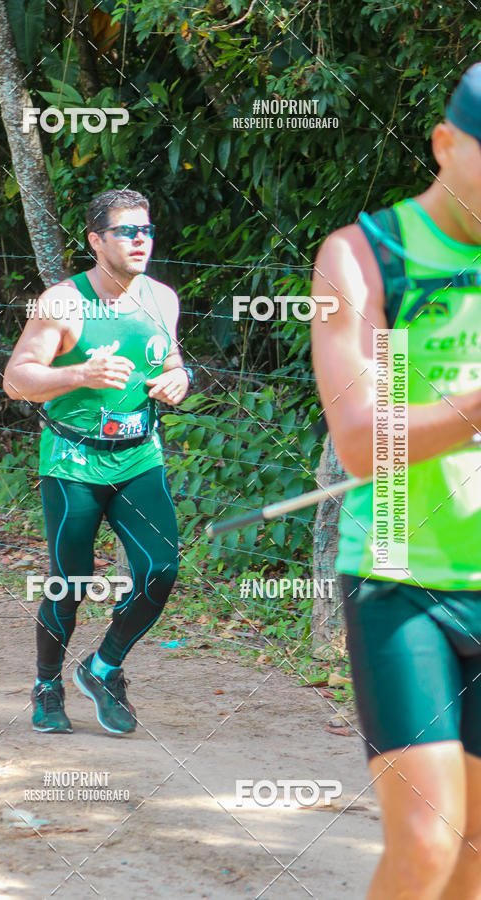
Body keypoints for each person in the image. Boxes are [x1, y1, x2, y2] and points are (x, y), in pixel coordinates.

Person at [311, 64, 481, 898]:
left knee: (474, 856)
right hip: (402, 578)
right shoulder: (360, 257)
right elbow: (358, 440)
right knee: (426, 843)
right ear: (445, 143)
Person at [3, 188, 190, 735]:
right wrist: (79, 374)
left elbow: (170, 358)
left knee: (161, 569)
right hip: (73, 465)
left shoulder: (162, 299)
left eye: (145, 230)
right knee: (71, 582)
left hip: (138, 458)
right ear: (95, 240)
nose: (140, 240)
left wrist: (180, 378)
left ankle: (104, 667)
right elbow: (16, 379)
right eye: (125, 231)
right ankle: (46, 685)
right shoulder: (62, 302)